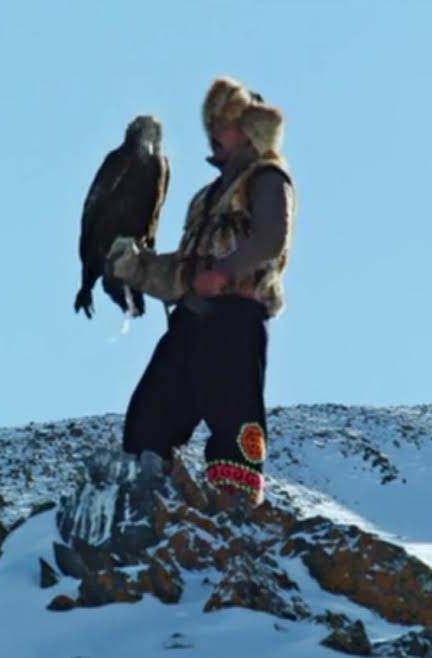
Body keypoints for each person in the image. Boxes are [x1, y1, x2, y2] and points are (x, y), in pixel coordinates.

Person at [106, 77, 296, 504]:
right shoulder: (206, 198)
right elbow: (186, 271)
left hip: (235, 316)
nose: (212, 130)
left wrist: (226, 272)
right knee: (150, 414)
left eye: (223, 123)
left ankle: (237, 510)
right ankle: (145, 497)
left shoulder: (267, 178)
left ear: (250, 130)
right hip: (191, 320)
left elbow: (270, 238)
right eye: (210, 122)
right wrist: (134, 267)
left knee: (234, 414)